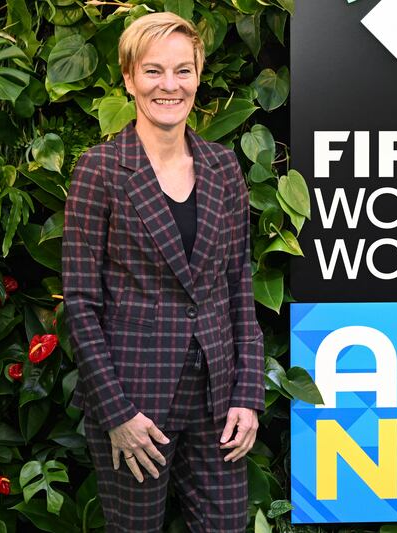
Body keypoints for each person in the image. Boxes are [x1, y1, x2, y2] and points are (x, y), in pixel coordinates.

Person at [62, 12, 264, 532]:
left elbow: (239, 285)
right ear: (128, 79)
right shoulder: (100, 170)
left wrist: (247, 394)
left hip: (219, 401)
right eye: (153, 71)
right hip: (136, 405)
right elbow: (81, 303)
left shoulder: (223, 166)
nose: (169, 86)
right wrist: (116, 414)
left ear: (198, 76)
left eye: (182, 70)